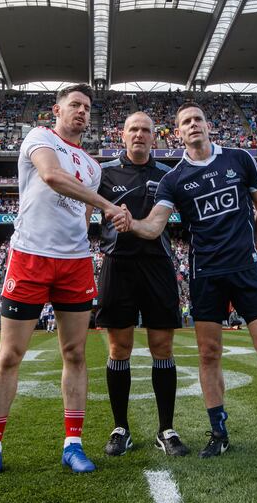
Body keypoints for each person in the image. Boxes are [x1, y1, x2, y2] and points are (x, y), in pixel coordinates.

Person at [114, 101, 257, 459]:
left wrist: (253, 247)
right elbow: (155, 226)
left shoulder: (239, 159)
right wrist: (131, 223)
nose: (193, 125)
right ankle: (218, 433)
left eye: (198, 119)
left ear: (208, 126)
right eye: (185, 122)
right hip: (205, 274)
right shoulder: (173, 179)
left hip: (246, 270)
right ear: (177, 134)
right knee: (209, 354)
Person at [0, 84, 125, 481]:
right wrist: (108, 205)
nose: (82, 112)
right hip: (31, 256)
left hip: (74, 263)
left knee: (74, 354)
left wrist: (110, 216)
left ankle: (73, 444)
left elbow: (82, 217)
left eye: (87, 107)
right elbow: (52, 176)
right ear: (58, 109)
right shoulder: (39, 138)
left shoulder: (93, 167)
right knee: (10, 355)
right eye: (75, 105)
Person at [96, 111, 188, 457]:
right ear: (122, 136)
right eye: (133, 129)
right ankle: (121, 427)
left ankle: (166, 429)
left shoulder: (169, 174)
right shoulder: (102, 173)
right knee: (119, 349)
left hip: (158, 265)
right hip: (117, 265)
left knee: (162, 348)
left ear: (155, 137)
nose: (139, 134)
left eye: (145, 130)